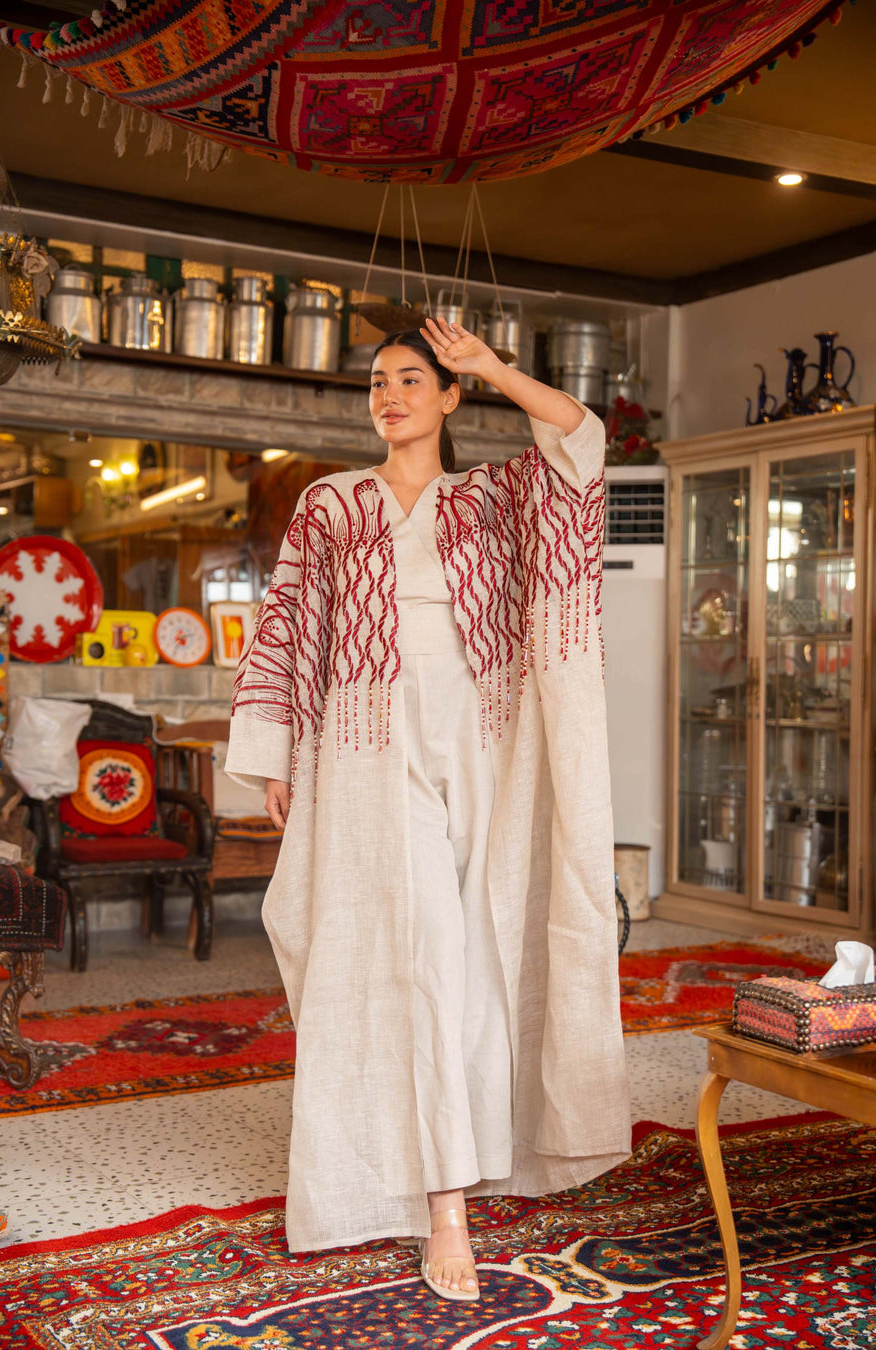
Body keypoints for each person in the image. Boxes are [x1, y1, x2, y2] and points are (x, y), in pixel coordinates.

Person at [225, 316, 630, 1301]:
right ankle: (444, 1208)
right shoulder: (330, 504)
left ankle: (480, 1149)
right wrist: (278, 756)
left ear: (449, 398)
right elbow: (287, 629)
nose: (391, 396)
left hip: (487, 735)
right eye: (378, 382)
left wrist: (494, 366)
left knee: (485, 950)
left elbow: (581, 443)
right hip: (366, 745)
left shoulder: (491, 495)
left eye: (412, 379)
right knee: (414, 954)